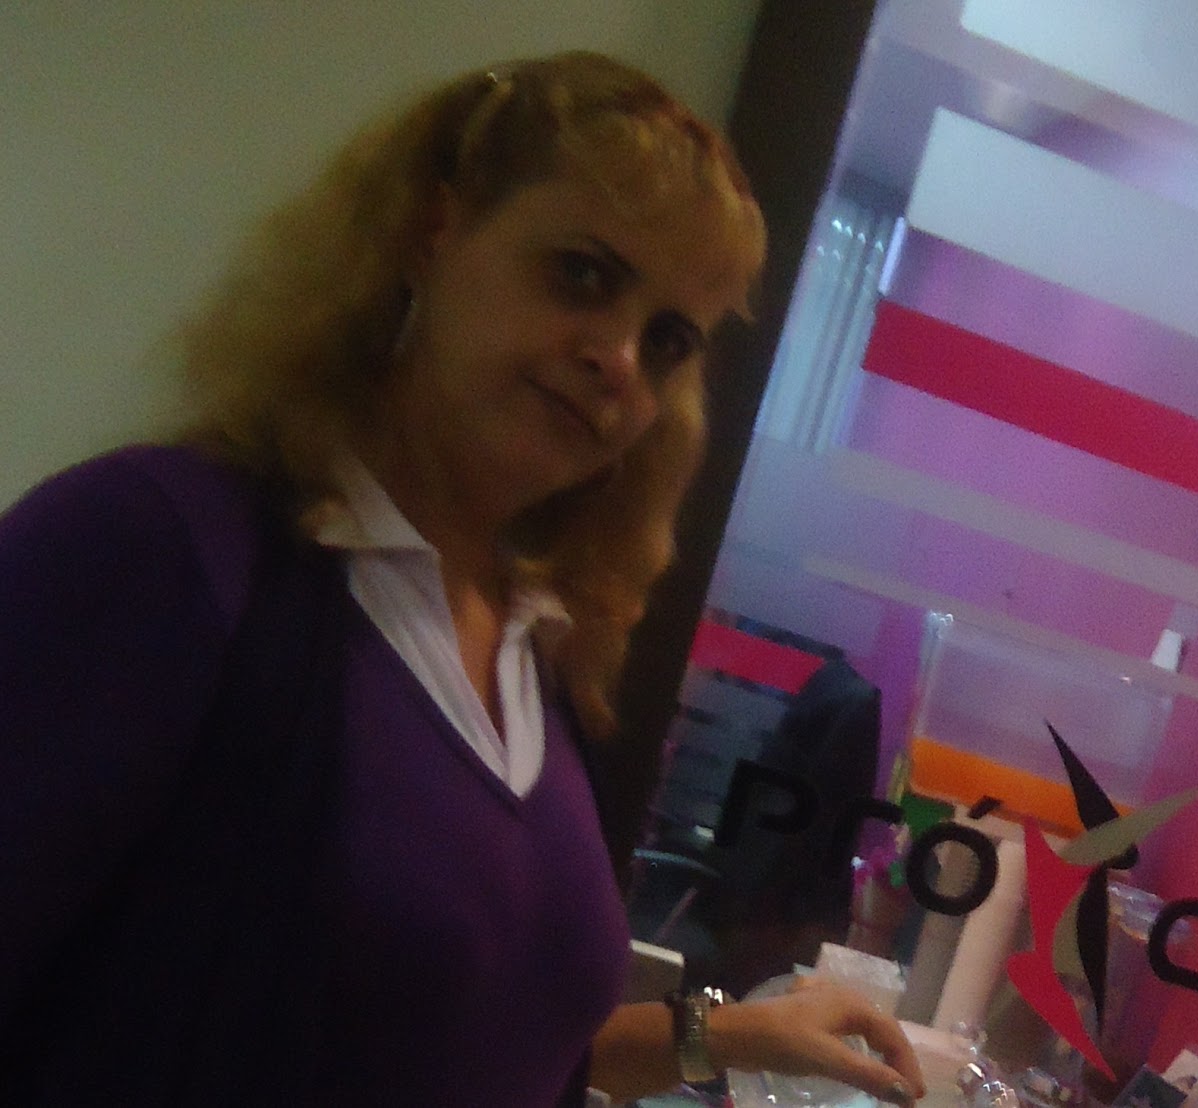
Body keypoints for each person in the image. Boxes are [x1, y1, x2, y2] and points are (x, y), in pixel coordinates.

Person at [0, 52, 925, 1107]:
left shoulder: (534, 655)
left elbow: (488, 1052)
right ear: (432, 234)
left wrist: (735, 1032)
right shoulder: (162, 546)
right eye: (584, 274)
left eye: (667, 339)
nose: (620, 360)